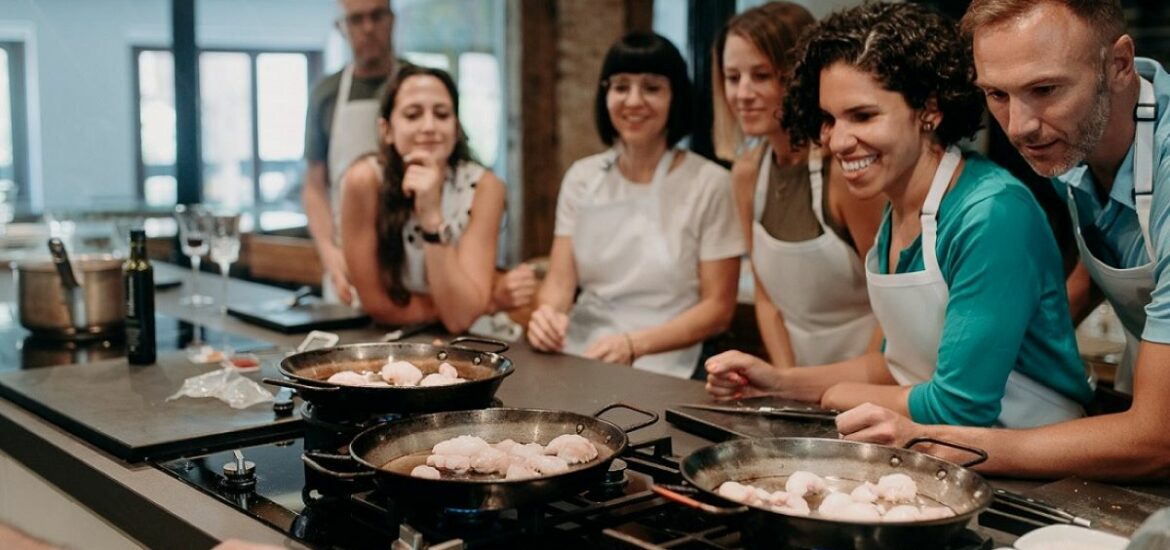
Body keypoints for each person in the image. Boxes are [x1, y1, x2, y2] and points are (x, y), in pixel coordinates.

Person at [706, 2, 1094, 429]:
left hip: (1038, 469)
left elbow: (960, 406)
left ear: (929, 109)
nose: (838, 141)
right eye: (828, 119)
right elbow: (897, 366)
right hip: (949, 451)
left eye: (863, 116)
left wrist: (834, 396)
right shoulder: (899, 213)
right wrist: (779, 382)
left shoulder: (991, 214)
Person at [835, 0, 1170, 481]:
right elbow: (1111, 249)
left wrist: (940, 441)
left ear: (1117, 64)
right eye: (997, 94)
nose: (1019, 127)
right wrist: (1034, 327)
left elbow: (1158, 436)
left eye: (1045, 89)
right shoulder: (1074, 140)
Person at [526, 32, 744, 379]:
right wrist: (547, 316)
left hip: (669, 360)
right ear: (605, 94)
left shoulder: (709, 183)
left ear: (676, 97)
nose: (633, 100)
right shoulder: (582, 177)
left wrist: (634, 344)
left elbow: (718, 308)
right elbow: (559, 282)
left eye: (652, 88)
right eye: (621, 86)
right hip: (581, 349)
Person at [710, 1, 885, 370]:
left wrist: (852, 388)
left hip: (873, 384)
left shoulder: (841, 171)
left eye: (761, 75)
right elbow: (767, 298)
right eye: (732, 77)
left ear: (797, 76)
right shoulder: (745, 174)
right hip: (795, 384)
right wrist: (787, 383)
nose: (743, 93)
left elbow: (893, 298)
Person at [339, 65, 505, 332]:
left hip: (468, 340)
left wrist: (431, 215)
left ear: (456, 126)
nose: (429, 127)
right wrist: (486, 302)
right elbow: (378, 304)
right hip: (385, 337)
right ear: (387, 130)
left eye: (441, 114)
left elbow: (460, 321)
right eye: (413, 115)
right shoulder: (363, 181)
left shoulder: (485, 187)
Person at [303, 0, 398, 306]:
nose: (368, 28)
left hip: (409, 258)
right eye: (356, 19)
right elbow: (314, 186)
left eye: (377, 16)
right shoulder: (326, 93)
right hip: (346, 263)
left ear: (392, 20)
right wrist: (330, 254)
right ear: (341, 28)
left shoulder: (416, 85)